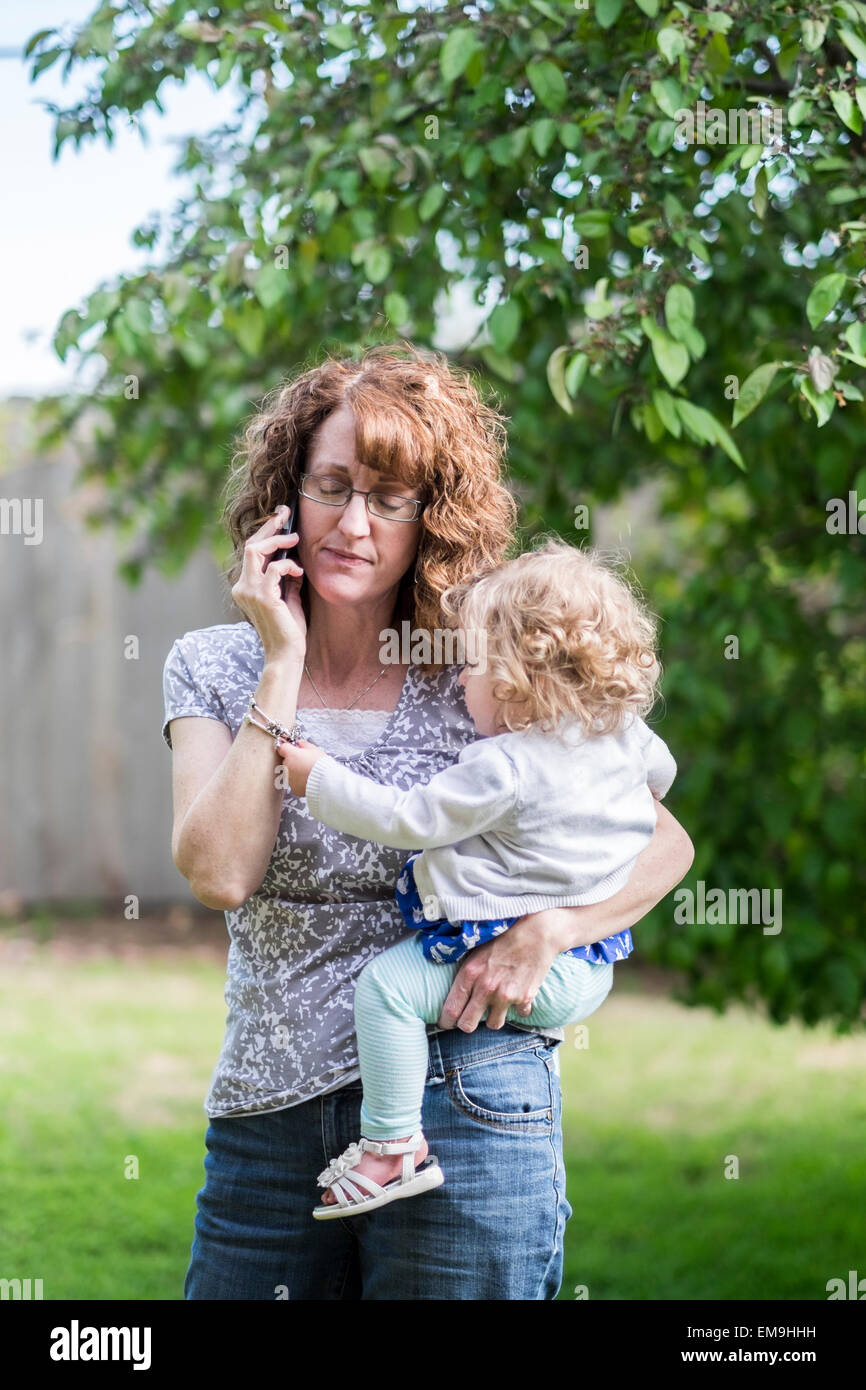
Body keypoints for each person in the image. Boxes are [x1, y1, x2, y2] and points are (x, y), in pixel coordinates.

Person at [162, 343, 694, 1300]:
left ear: (430, 517)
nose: (353, 523)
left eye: (390, 498)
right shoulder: (213, 663)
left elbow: (663, 839)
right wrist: (279, 665)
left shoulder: (495, 664)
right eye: (331, 487)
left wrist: (558, 931)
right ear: (286, 497)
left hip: (471, 1096)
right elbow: (219, 874)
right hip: (268, 1119)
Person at [276, 538, 678, 1219]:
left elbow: (409, 818)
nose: (459, 681)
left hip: (539, 969)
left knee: (389, 990)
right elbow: (659, 785)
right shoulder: (627, 738)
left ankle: (393, 1147)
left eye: (472, 666)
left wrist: (320, 778)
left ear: (520, 675)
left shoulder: (508, 765)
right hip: (593, 961)